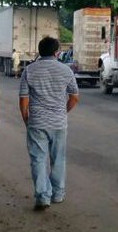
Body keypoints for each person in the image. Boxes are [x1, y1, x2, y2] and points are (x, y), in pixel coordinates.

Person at [19, 36, 79, 211]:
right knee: (58, 159)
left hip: (37, 122)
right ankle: (58, 194)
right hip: (59, 123)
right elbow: (74, 97)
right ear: (56, 52)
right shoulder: (66, 70)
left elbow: (23, 100)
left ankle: (42, 197)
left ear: (39, 51)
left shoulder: (29, 70)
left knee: (38, 159)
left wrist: (26, 119)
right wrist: (63, 111)